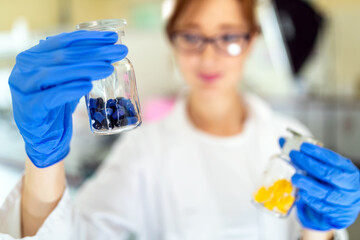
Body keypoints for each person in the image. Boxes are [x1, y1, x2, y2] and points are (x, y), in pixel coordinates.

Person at [1, 0, 359, 239]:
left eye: (229, 37)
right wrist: (44, 161)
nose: (208, 55)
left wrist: (322, 229)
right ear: (172, 39)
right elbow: (65, 234)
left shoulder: (289, 137)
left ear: (251, 41)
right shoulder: (144, 149)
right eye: (191, 36)